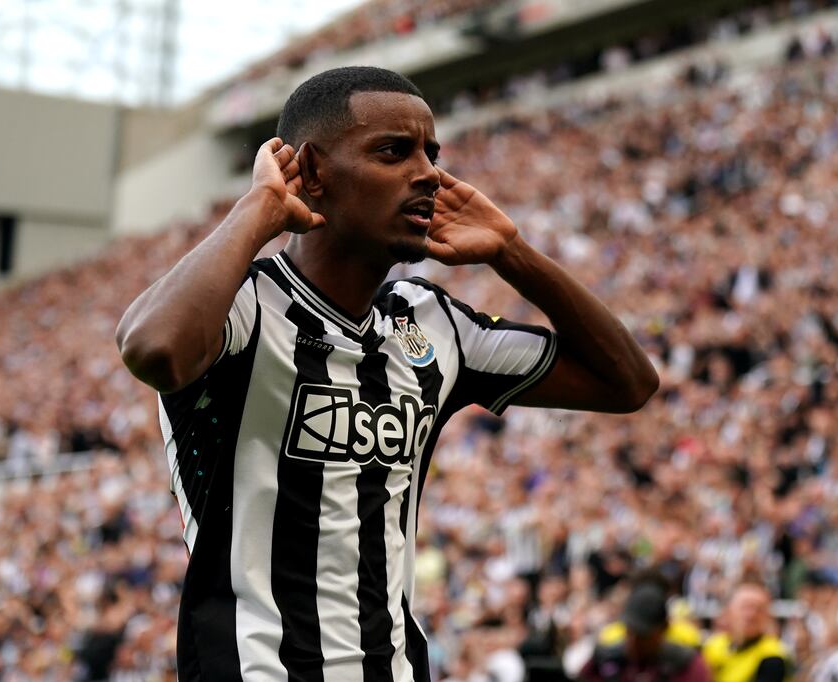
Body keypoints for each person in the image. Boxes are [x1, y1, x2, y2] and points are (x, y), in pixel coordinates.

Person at [115, 66, 658, 681]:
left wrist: (513, 253)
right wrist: (261, 205)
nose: (427, 172)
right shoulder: (240, 308)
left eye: (431, 152)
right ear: (312, 172)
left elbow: (628, 382)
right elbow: (154, 348)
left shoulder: (433, 326)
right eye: (394, 152)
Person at [580, 584, 711, 681]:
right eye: (629, 632)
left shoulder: (686, 665)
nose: (633, 641)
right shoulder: (605, 659)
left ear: (663, 629)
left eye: (642, 635)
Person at [702, 584, 791, 682]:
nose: (751, 615)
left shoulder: (773, 655)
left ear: (767, 616)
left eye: (758, 609)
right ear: (729, 612)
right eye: (745, 607)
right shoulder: (714, 645)